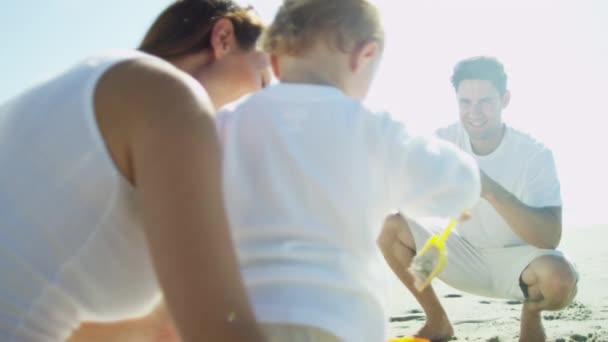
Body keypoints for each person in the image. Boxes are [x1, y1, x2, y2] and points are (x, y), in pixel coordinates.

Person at [0, 1, 270, 341]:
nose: (263, 102)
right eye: (263, 80)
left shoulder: (80, 84)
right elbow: (220, 332)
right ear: (223, 38)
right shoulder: (170, 97)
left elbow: (33, 298)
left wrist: (147, 328)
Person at [214, 1, 482, 341]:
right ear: (364, 56)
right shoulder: (374, 127)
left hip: (244, 320)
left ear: (275, 58)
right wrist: (454, 200)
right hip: (342, 320)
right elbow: (460, 182)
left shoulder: (225, 123)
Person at [377, 56, 578, 342]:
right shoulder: (444, 141)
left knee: (559, 281)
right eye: (465, 102)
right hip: (464, 253)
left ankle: (531, 314)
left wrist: (490, 191)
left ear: (504, 99)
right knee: (389, 227)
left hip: (519, 262)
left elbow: (549, 238)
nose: (475, 112)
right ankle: (438, 323)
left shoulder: (535, 155)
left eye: (485, 101)